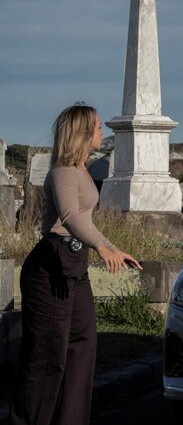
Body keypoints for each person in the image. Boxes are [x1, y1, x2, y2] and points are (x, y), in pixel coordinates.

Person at [11, 103, 142, 425]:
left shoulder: (81, 170)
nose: (102, 131)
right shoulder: (63, 172)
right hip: (52, 264)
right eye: (97, 126)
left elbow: (85, 220)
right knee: (48, 356)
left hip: (74, 262)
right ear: (83, 133)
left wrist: (113, 248)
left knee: (81, 347)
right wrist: (100, 247)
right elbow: (69, 216)